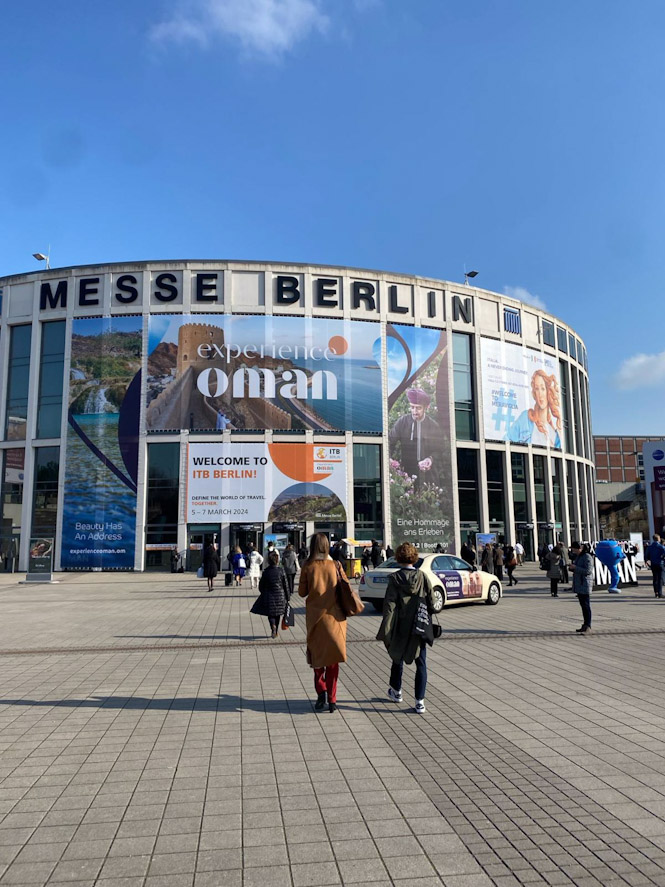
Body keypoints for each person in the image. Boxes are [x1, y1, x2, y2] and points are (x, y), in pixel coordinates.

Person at [377, 542, 435, 715]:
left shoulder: (394, 579)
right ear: (414, 557)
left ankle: (396, 691)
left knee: (397, 657)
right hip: (418, 625)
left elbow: (389, 606)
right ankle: (420, 702)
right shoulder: (422, 576)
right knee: (421, 662)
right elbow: (432, 601)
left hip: (400, 625)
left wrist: (386, 629)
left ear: (398, 558)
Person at [298, 533, 351, 713]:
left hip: (315, 618)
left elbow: (302, 592)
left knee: (318, 659)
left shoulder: (308, 566)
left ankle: (321, 693)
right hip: (335, 617)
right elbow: (345, 586)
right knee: (333, 660)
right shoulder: (335, 565)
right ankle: (333, 699)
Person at [388, 387, 441, 488]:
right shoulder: (402, 422)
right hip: (407, 474)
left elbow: (439, 450)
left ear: (426, 407)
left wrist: (430, 459)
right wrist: (389, 458)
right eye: (412, 407)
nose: (414, 411)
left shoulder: (433, 426)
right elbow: (389, 442)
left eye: (418, 408)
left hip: (429, 476)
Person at [508, 369, 562, 448]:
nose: (540, 394)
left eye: (543, 388)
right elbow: (507, 439)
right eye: (537, 389)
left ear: (548, 391)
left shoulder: (554, 436)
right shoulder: (526, 418)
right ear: (534, 392)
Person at [251, 552, 289, 639]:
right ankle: (276, 629)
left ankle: (273, 627)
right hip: (280, 596)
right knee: (278, 614)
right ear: (277, 560)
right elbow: (286, 585)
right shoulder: (281, 571)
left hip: (269, 596)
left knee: (271, 614)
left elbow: (261, 585)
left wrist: (263, 592)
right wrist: (287, 596)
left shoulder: (266, 572)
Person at [570, 541, 593, 633]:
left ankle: (588, 625)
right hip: (579, 584)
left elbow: (588, 571)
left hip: (585, 584)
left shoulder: (587, 557)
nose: (573, 551)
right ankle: (585, 624)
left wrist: (575, 568)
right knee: (583, 606)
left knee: (586, 606)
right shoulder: (579, 556)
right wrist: (572, 568)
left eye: (574, 549)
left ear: (579, 548)